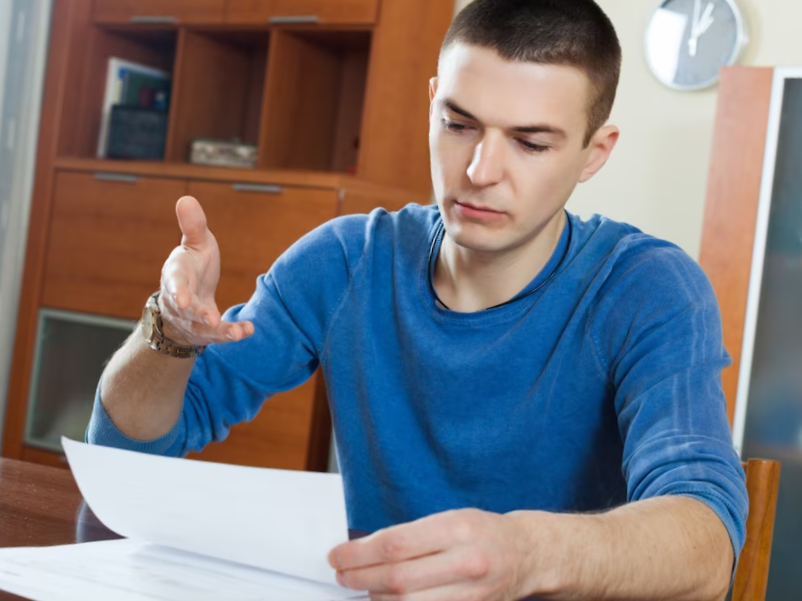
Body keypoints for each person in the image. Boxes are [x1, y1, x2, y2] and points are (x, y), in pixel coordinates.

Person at [87, 0, 748, 599]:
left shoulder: (650, 289)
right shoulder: (346, 260)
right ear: (432, 103)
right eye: (459, 124)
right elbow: (127, 451)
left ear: (593, 152)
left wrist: (525, 552)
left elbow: (705, 539)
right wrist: (168, 331)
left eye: (530, 142)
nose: (480, 171)